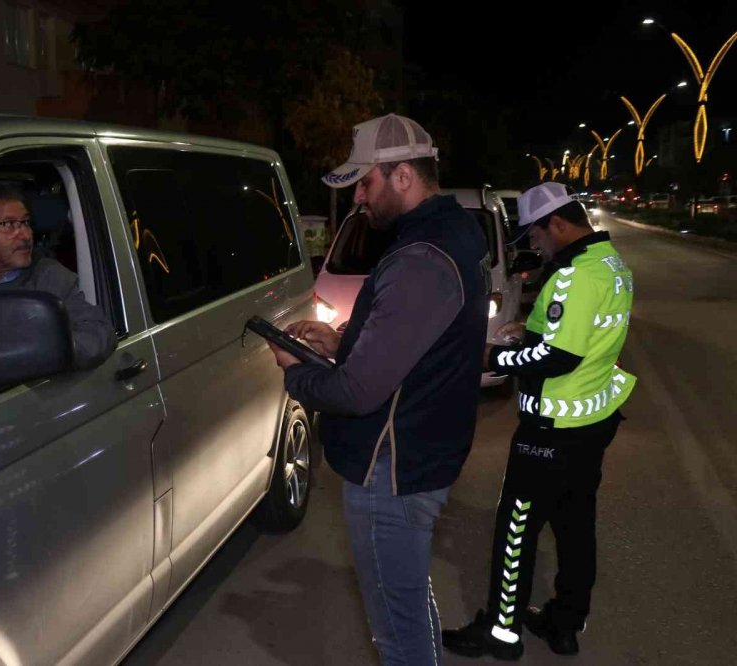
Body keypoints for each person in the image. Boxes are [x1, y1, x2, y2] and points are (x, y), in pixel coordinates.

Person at [267, 114, 489, 666]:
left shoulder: (420, 258)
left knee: (397, 631)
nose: (359, 198)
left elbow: (358, 392)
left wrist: (295, 369)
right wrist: (342, 338)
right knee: (410, 601)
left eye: (365, 183)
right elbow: (414, 342)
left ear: (404, 176)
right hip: (417, 454)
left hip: (392, 470)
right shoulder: (447, 234)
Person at [442, 181, 637, 660]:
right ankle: (565, 624)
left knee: (517, 527)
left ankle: (501, 634)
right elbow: (576, 334)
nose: (533, 244)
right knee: (575, 526)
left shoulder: (574, 276)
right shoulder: (612, 266)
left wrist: (493, 356)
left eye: (535, 234)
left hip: (550, 429)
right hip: (592, 422)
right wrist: (525, 331)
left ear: (557, 224)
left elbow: (558, 356)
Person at [0, 181, 116, 370]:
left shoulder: (48, 276)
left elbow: (98, 333)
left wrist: (38, 354)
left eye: (25, 222)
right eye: (9, 224)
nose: (25, 235)